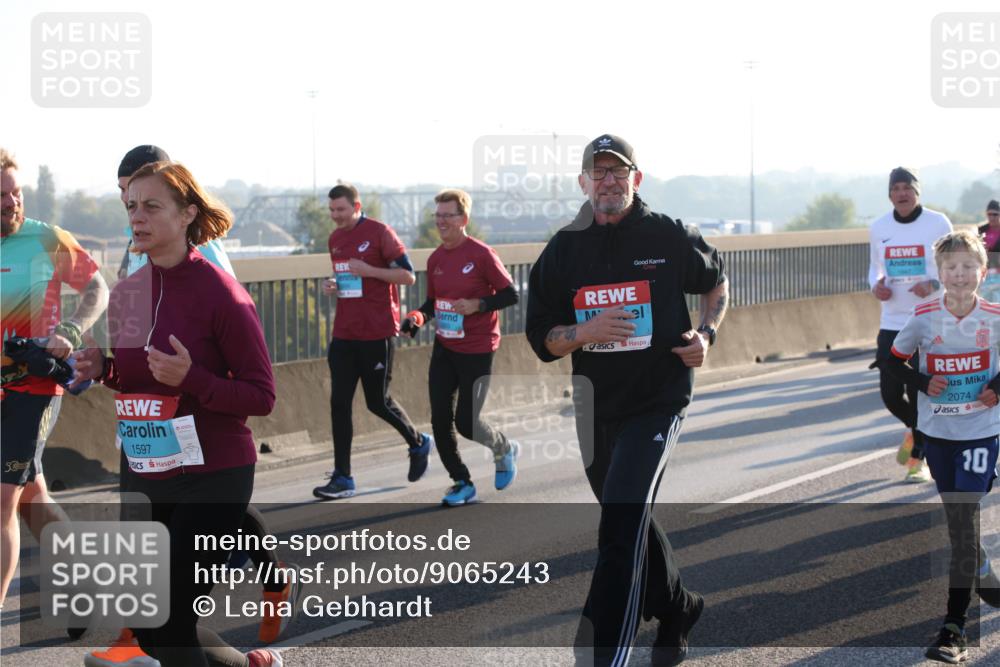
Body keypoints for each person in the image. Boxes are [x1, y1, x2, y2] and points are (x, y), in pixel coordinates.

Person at [526, 134, 728, 667]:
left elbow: (717, 282)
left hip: (658, 400)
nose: (609, 181)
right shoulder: (564, 249)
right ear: (583, 182)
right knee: (629, 518)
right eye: (598, 172)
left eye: (618, 171)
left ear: (636, 178)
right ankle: (679, 608)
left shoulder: (668, 235)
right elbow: (541, 337)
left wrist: (707, 334)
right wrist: (585, 331)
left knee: (619, 525)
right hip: (596, 407)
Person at [72, 161, 281, 667]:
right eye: (131, 207)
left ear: (187, 213)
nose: (136, 217)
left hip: (213, 476)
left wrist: (195, 379)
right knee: (154, 622)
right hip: (149, 473)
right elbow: (135, 377)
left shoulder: (221, 293)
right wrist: (103, 369)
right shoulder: (127, 294)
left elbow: (261, 396)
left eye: (151, 206)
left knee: (168, 620)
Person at [884, 229, 1000, 663]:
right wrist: (922, 380)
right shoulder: (923, 316)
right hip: (938, 434)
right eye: (951, 267)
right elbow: (892, 361)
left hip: (981, 432)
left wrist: (997, 387)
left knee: (962, 522)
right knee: (960, 526)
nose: (960, 274)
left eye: (968, 266)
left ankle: (954, 629)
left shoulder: (995, 316)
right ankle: (981, 566)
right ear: (940, 272)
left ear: (983, 272)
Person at [1, 147, 110, 607]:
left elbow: (97, 288)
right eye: (1, 196)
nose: (12, 203)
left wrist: (69, 330)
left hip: (34, 386)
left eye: (16, 193)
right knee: (31, 498)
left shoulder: (46, 239)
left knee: (3, 501)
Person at [401, 189, 520, 506]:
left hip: (478, 348)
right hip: (445, 347)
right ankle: (461, 482)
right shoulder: (436, 259)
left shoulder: (481, 254)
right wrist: (416, 318)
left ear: (463, 218)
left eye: (447, 216)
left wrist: (478, 304)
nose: (441, 222)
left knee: (466, 423)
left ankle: (503, 447)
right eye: (437, 216)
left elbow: (510, 295)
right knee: (439, 420)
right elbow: (432, 303)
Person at [313, 183, 432, 500]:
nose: (335, 215)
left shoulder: (380, 233)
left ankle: (418, 442)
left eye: (341, 209)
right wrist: (333, 285)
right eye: (331, 210)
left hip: (377, 333)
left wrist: (369, 270)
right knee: (339, 404)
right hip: (344, 334)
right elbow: (346, 280)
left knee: (377, 402)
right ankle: (343, 477)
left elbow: (407, 275)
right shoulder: (335, 239)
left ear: (356, 206)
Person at [868, 167, 952, 483]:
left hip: (928, 318)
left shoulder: (938, 223)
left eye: (907, 188)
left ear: (917, 192)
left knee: (918, 392)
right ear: (890, 194)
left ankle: (919, 459)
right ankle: (918, 432)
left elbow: (952, 264)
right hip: (892, 320)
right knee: (890, 394)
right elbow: (874, 269)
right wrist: (875, 286)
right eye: (896, 188)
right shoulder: (879, 227)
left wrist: (933, 283)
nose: (902, 193)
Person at [116, 146, 234, 280]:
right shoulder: (138, 238)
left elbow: (225, 284)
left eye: (132, 188)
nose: (127, 197)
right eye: (122, 189)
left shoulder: (198, 239)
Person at [977, 199, 1000, 302]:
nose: (992, 217)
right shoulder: (981, 230)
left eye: (995, 214)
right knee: (985, 303)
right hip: (985, 274)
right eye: (989, 214)